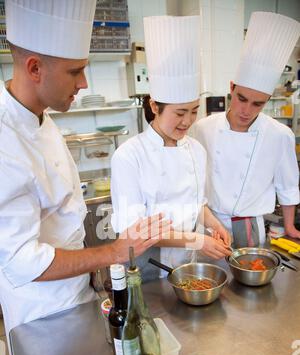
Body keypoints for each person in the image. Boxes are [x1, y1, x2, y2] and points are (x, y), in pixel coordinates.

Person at [0, 0, 171, 335]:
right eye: (75, 71)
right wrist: (114, 252)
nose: (84, 84)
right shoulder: (5, 140)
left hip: (76, 292)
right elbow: (22, 260)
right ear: (35, 68)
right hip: (42, 313)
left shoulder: (41, 116)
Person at [111, 15, 231, 276]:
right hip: (145, 267)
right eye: (179, 113)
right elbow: (135, 230)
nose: (187, 121)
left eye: (194, 111)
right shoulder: (129, 156)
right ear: (155, 106)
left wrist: (213, 224)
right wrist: (198, 240)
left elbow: (196, 203)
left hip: (187, 262)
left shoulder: (196, 151)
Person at [194, 11, 300, 248]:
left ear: (267, 100)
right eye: (242, 98)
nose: (246, 110)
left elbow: (288, 184)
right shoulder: (203, 129)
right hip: (209, 224)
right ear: (232, 87)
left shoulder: (280, 135)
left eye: (257, 104)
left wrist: (290, 226)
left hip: (251, 227)